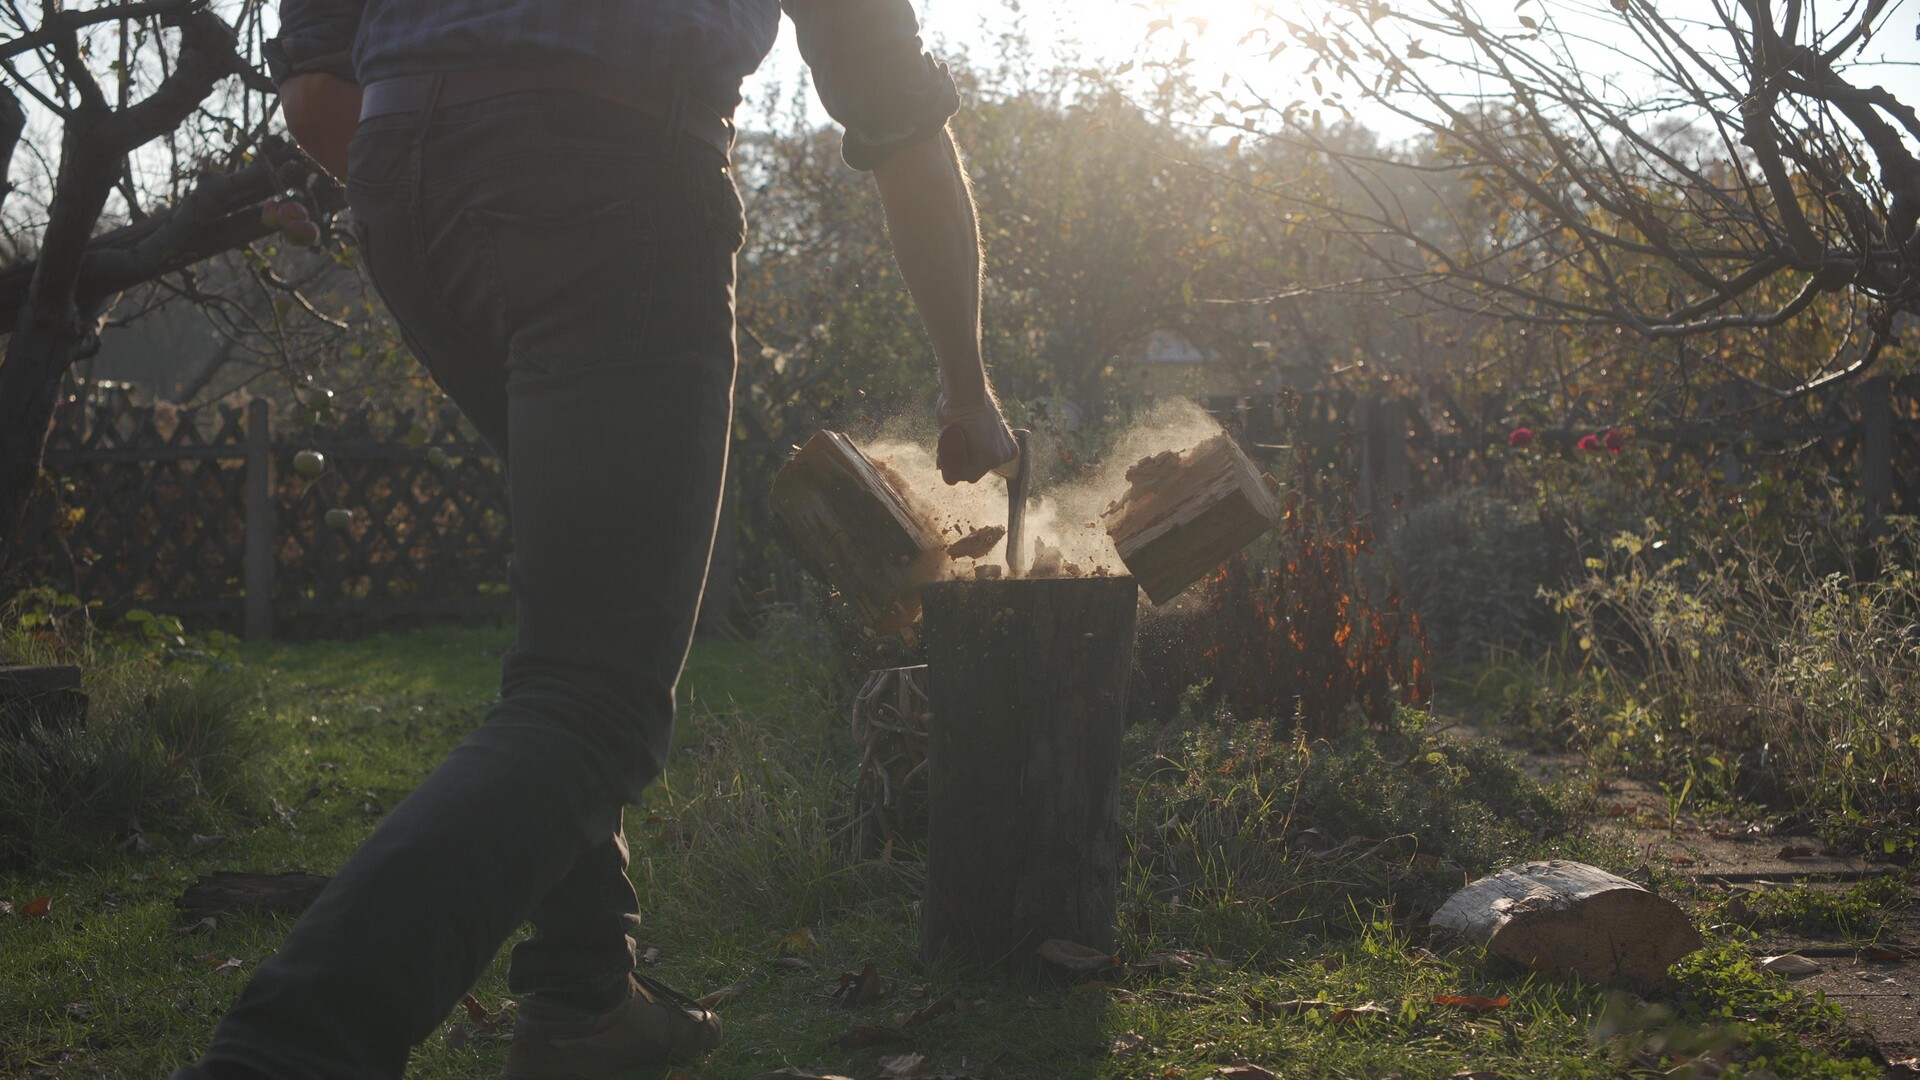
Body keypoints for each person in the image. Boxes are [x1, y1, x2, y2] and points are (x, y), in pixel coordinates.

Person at [173, 2, 1016, 1077]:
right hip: (611, 176)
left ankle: (585, 992)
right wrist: (967, 384)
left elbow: (317, 95)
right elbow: (896, 111)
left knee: (576, 634)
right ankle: (287, 1052)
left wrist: (455, 167)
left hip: (403, 180)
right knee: (594, 696)